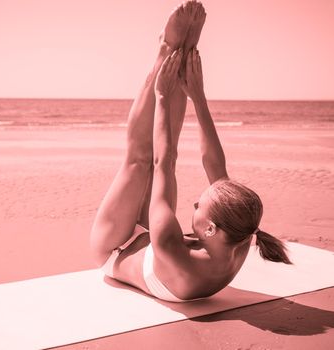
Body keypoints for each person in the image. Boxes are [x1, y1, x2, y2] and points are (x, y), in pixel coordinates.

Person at [89, 1, 291, 303]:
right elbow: (214, 163)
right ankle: (182, 57)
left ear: (210, 228)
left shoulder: (174, 248)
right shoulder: (240, 234)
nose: (196, 202)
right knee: (154, 158)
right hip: (150, 242)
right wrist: (197, 95)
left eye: (199, 207)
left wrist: (161, 94)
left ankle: (165, 51)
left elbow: (163, 162)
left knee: (139, 161)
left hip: (114, 248)